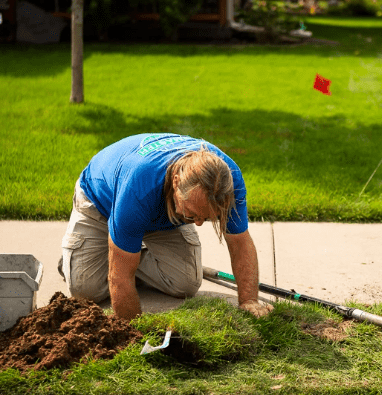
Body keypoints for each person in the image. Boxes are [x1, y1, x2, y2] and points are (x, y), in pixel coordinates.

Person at [59, 133, 272, 320]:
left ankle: (127, 249)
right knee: (86, 290)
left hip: (162, 212)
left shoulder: (226, 183)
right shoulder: (138, 187)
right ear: (176, 182)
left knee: (185, 284)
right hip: (101, 203)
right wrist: (135, 335)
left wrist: (249, 301)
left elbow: (240, 242)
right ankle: (97, 255)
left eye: (206, 218)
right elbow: (119, 277)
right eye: (193, 214)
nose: (197, 223)